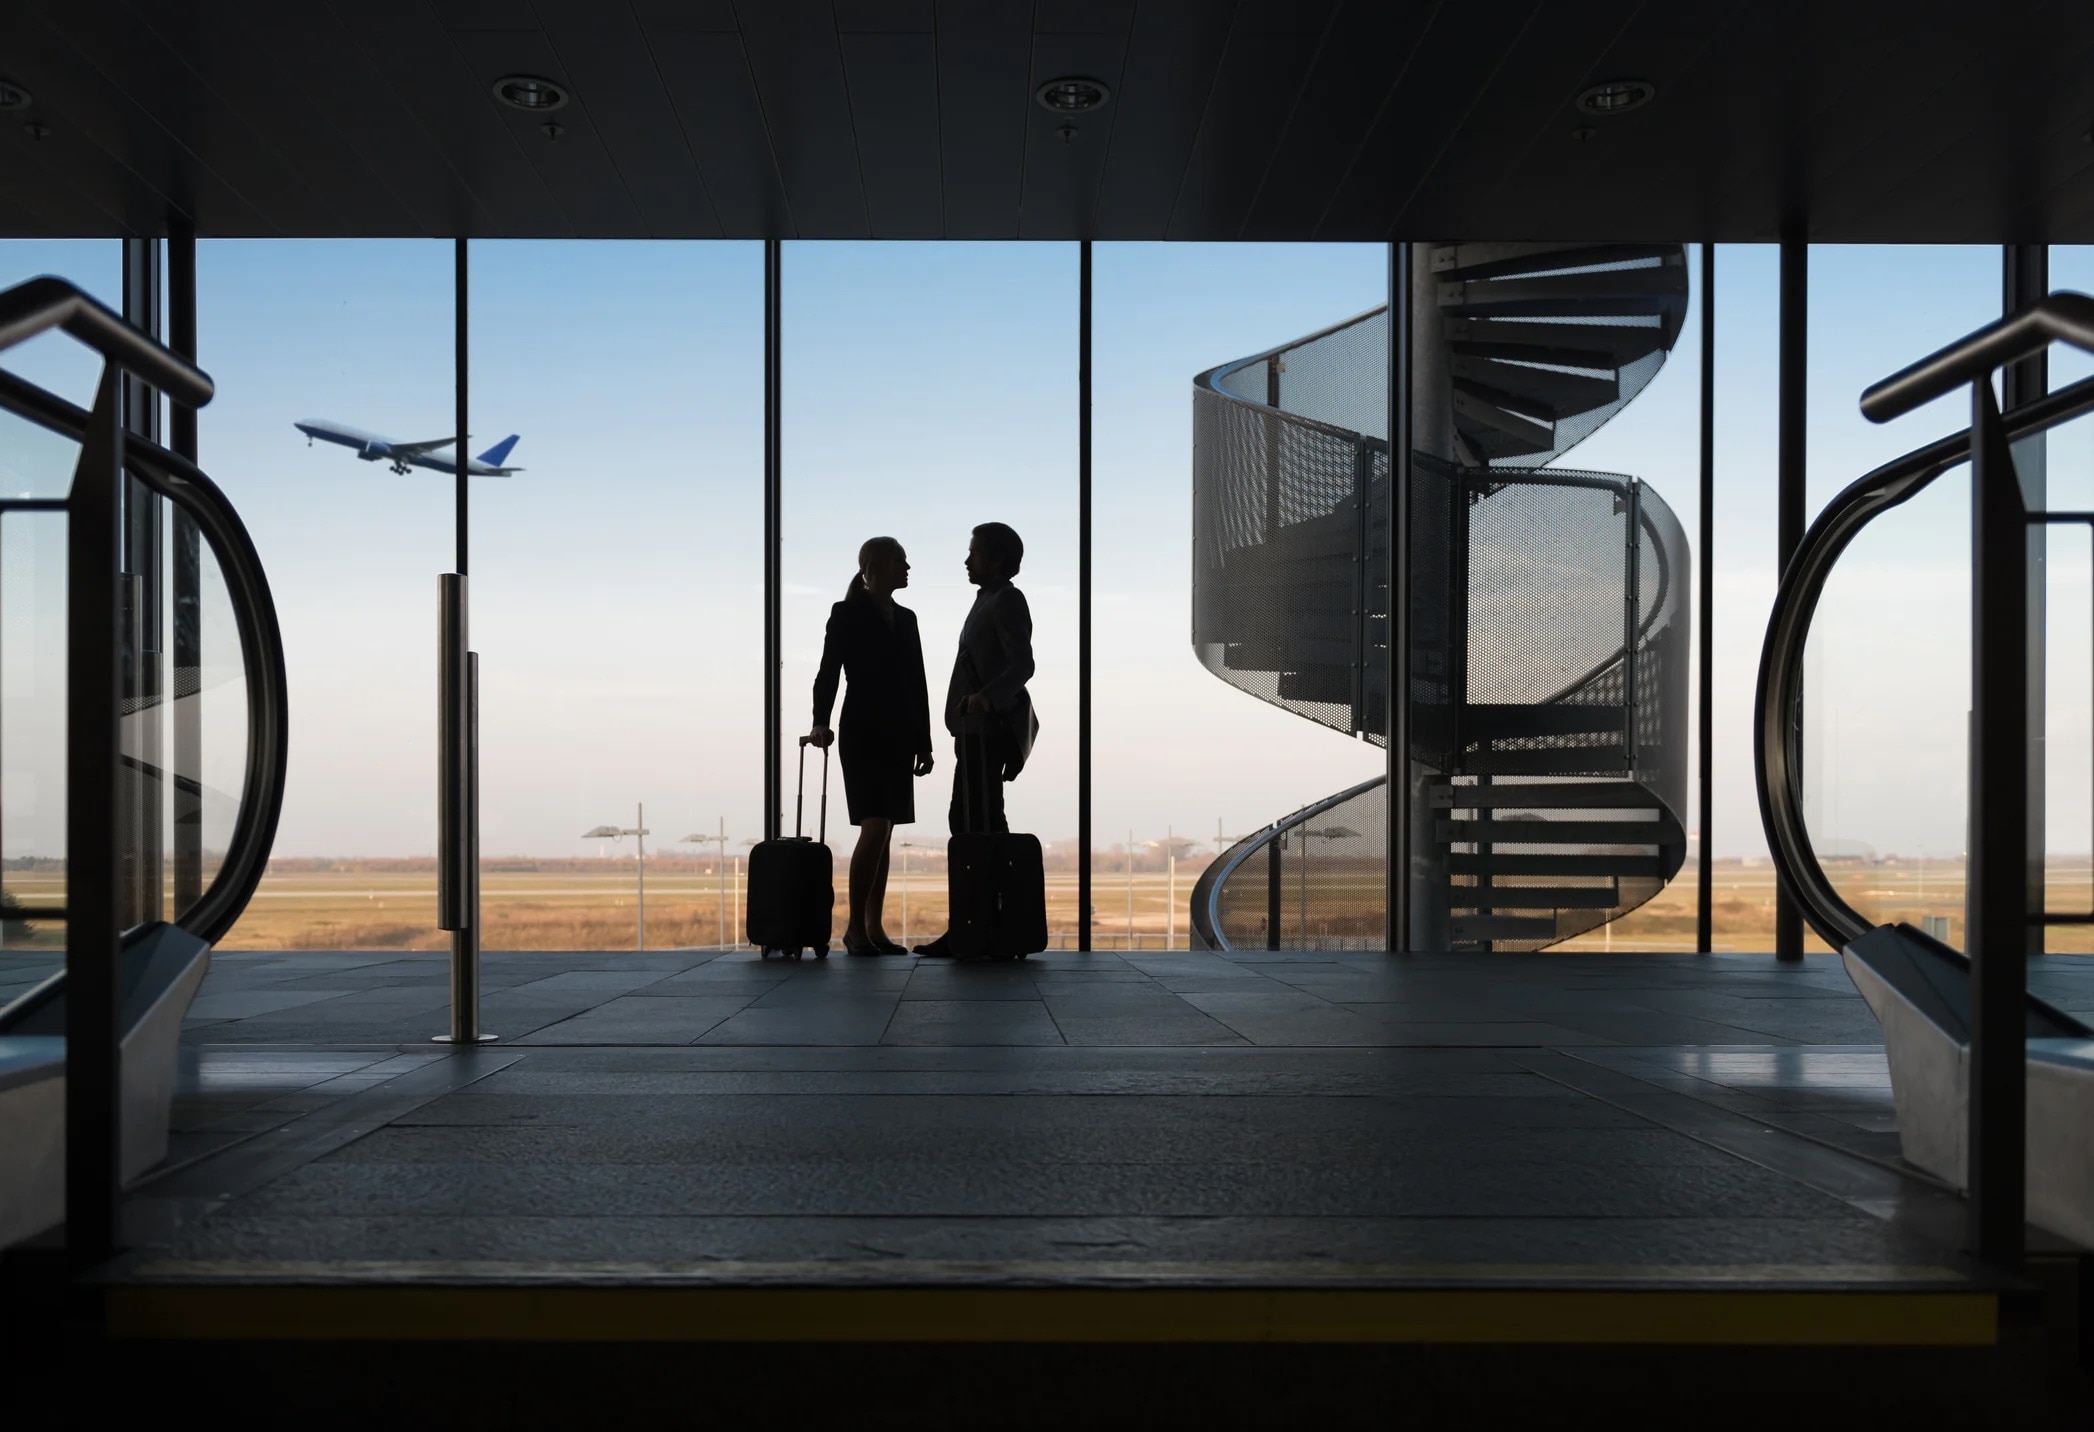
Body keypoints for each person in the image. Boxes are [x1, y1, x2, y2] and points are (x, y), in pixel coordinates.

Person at [808, 537, 934, 956]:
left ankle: (872, 927)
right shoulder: (846, 614)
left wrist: (924, 741)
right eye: (902, 560)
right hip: (863, 729)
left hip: (898, 734)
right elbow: (828, 672)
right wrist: (819, 721)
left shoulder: (908, 618)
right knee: (876, 824)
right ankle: (853, 928)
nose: (909, 566)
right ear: (877, 567)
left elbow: (918, 684)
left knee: (885, 830)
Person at [915, 521, 1036, 957]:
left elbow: (1023, 665)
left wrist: (986, 699)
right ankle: (979, 924)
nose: (967, 560)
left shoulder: (1007, 600)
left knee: (976, 826)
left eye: (975, 553)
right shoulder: (986, 600)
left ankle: (982, 925)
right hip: (971, 732)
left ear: (998, 559)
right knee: (972, 824)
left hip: (984, 732)